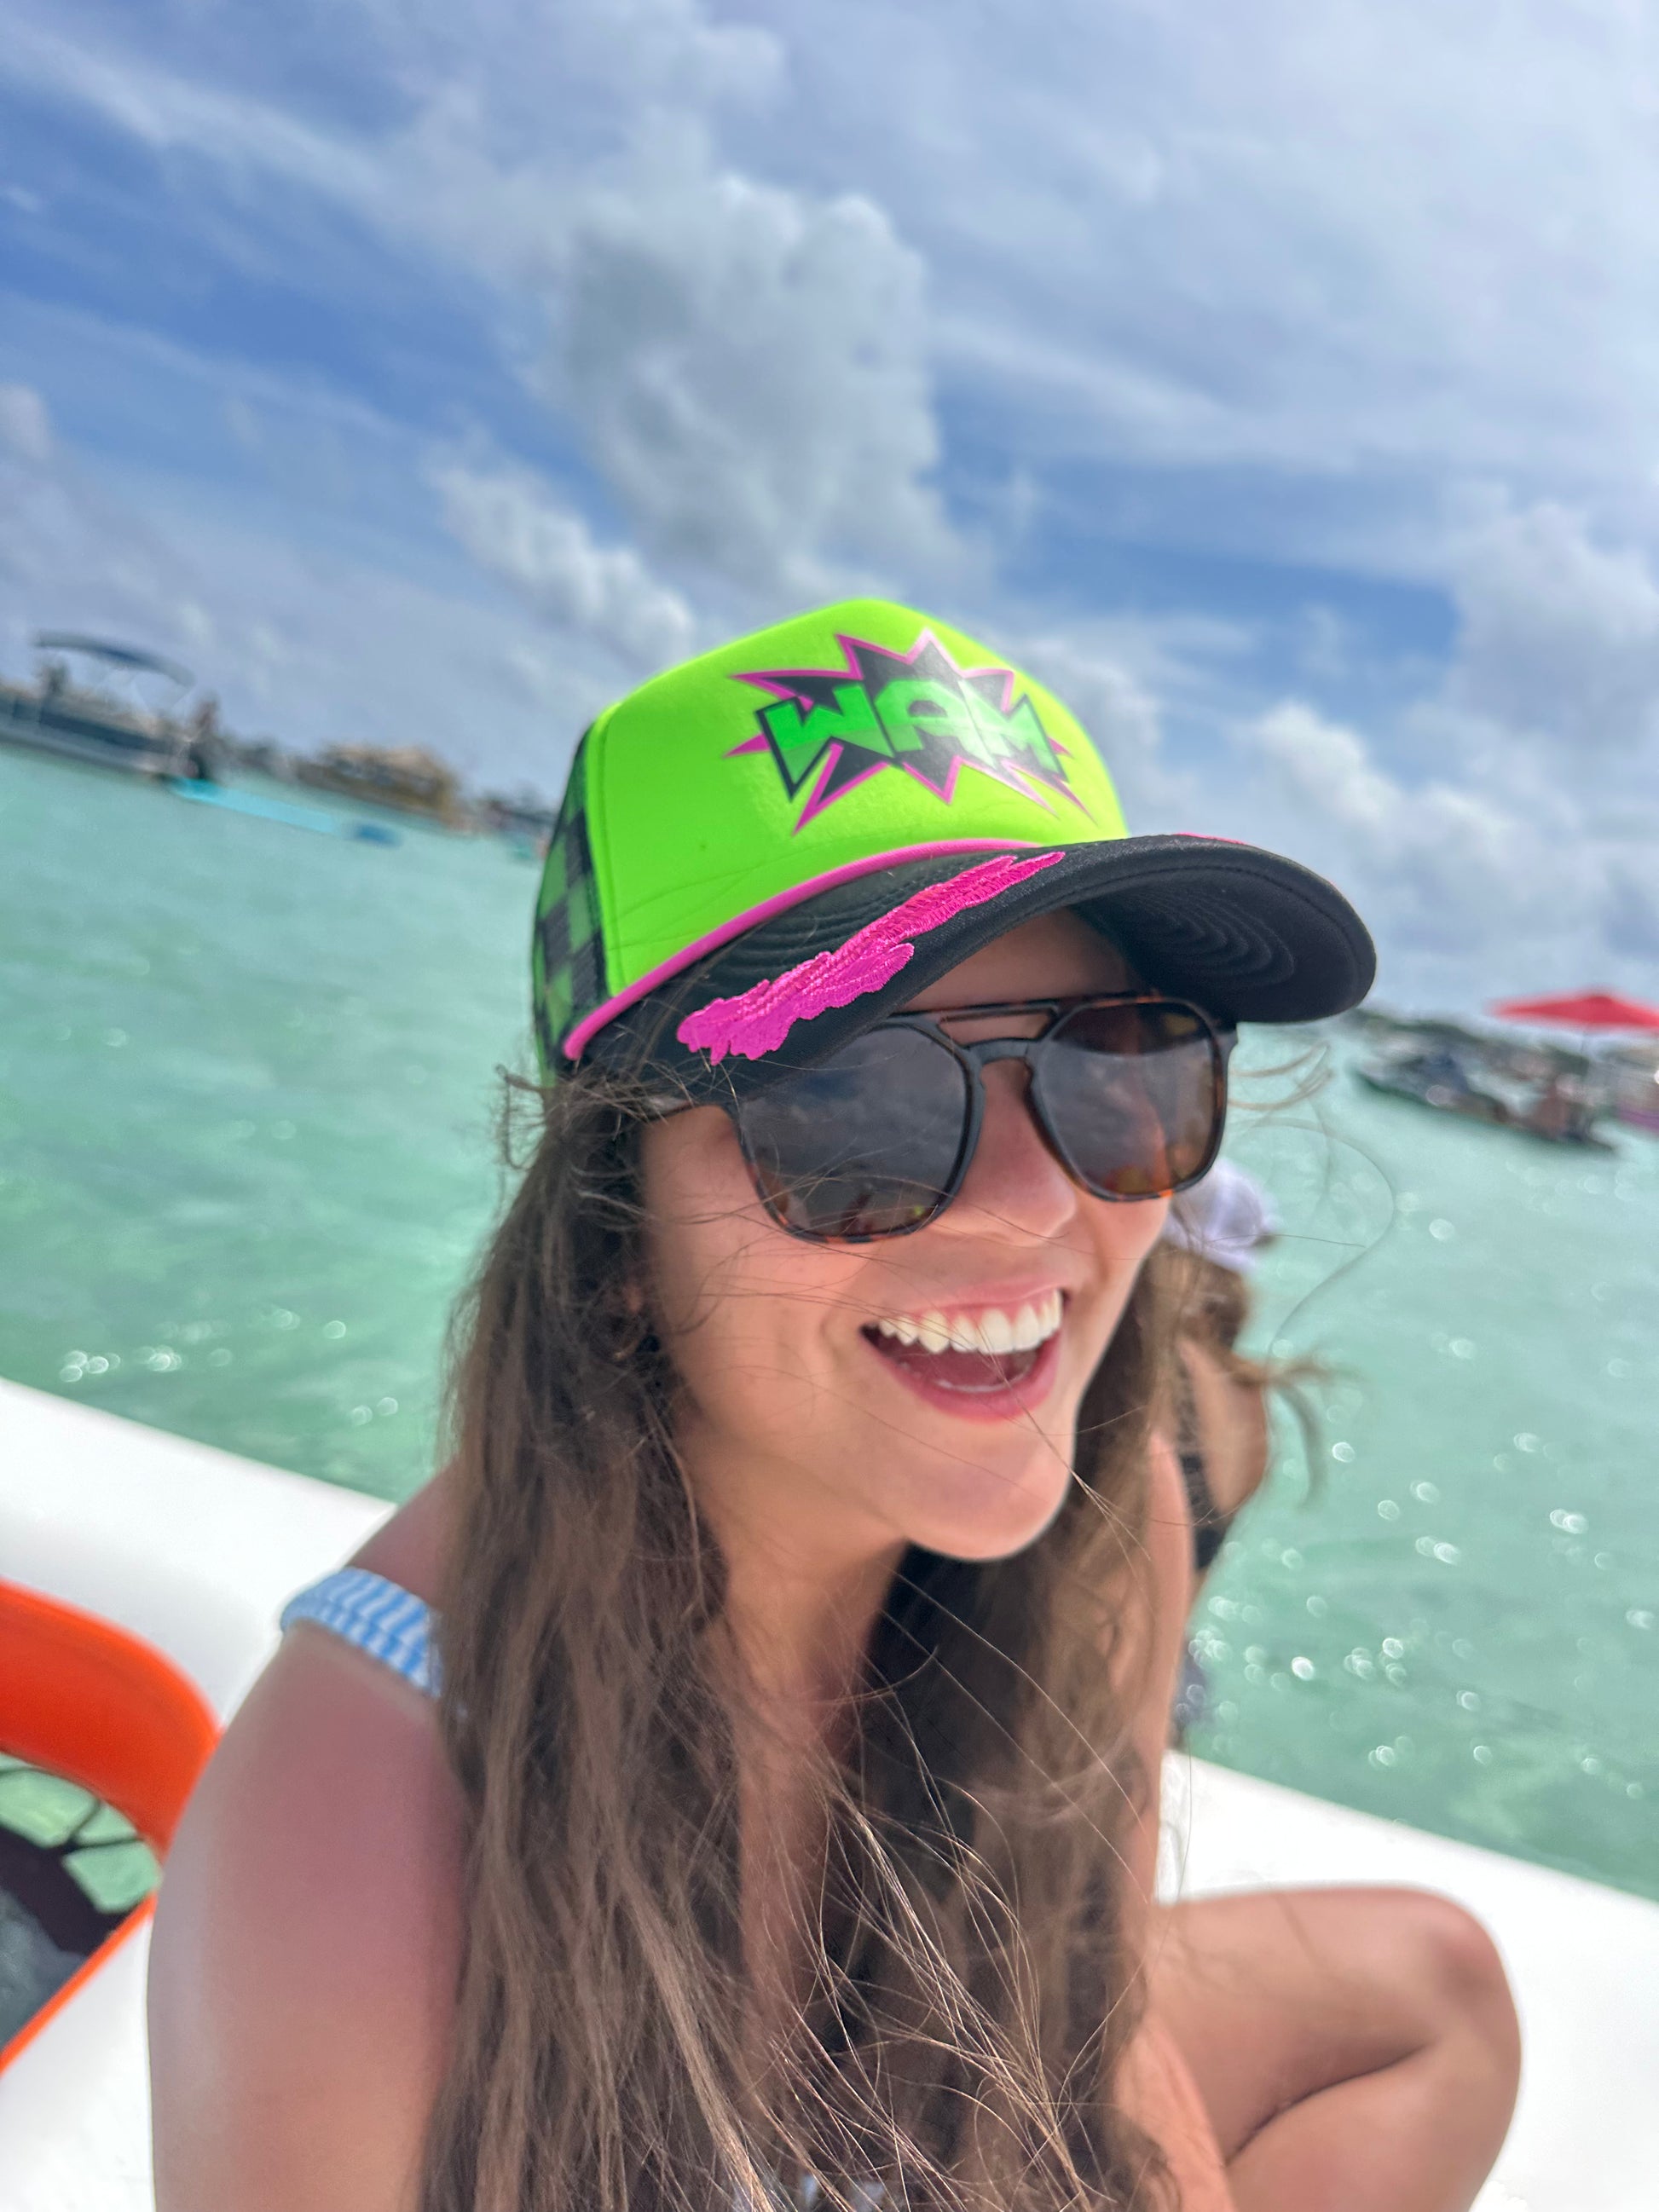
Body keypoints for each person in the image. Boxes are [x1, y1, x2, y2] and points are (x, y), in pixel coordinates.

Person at [147, 600, 1517, 2211]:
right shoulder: (359, 1816)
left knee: (1439, 1989)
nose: (1036, 1205)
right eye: (852, 1105)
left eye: (1115, 1066)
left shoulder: (1112, 1522)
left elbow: (1090, 2051)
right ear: (615, 1233)